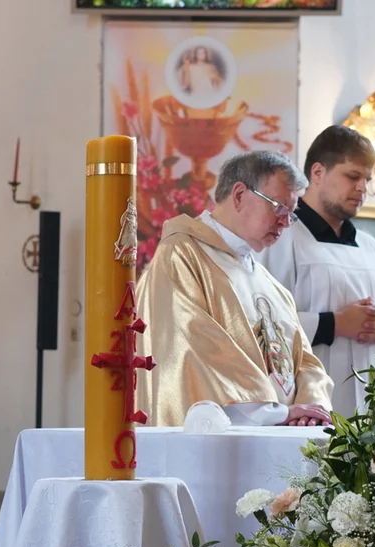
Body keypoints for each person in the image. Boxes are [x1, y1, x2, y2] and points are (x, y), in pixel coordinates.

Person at [135, 150, 334, 427]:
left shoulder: (273, 287)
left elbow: (306, 363)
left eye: (291, 215)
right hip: (215, 440)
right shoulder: (180, 255)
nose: (285, 223)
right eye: (278, 208)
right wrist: (277, 413)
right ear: (239, 195)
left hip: (283, 440)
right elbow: (195, 347)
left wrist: (311, 408)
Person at [257, 125, 375, 417]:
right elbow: (260, 325)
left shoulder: (372, 249)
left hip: (372, 409)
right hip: (306, 407)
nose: (362, 187)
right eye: (353, 176)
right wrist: (334, 324)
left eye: (367, 179)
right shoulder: (280, 239)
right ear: (318, 173)